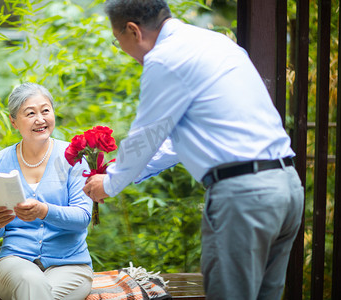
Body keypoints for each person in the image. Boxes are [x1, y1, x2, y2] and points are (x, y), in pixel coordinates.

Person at [83, 1, 304, 299]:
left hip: (243, 197)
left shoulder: (164, 59)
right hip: (286, 186)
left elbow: (146, 135)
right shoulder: (217, 44)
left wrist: (109, 184)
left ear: (133, 31)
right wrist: (119, 174)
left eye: (117, 39)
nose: (121, 47)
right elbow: (174, 142)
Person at [0, 82, 94, 300]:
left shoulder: (73, 158)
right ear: (14, 121)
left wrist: (44, 210)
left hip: (70, 265)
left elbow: (82, 217)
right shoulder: (0, 161)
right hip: (15, 263)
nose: (40, 119)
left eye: (45, 110)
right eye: (30, 113)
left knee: (35, 294)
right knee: (30, 282)